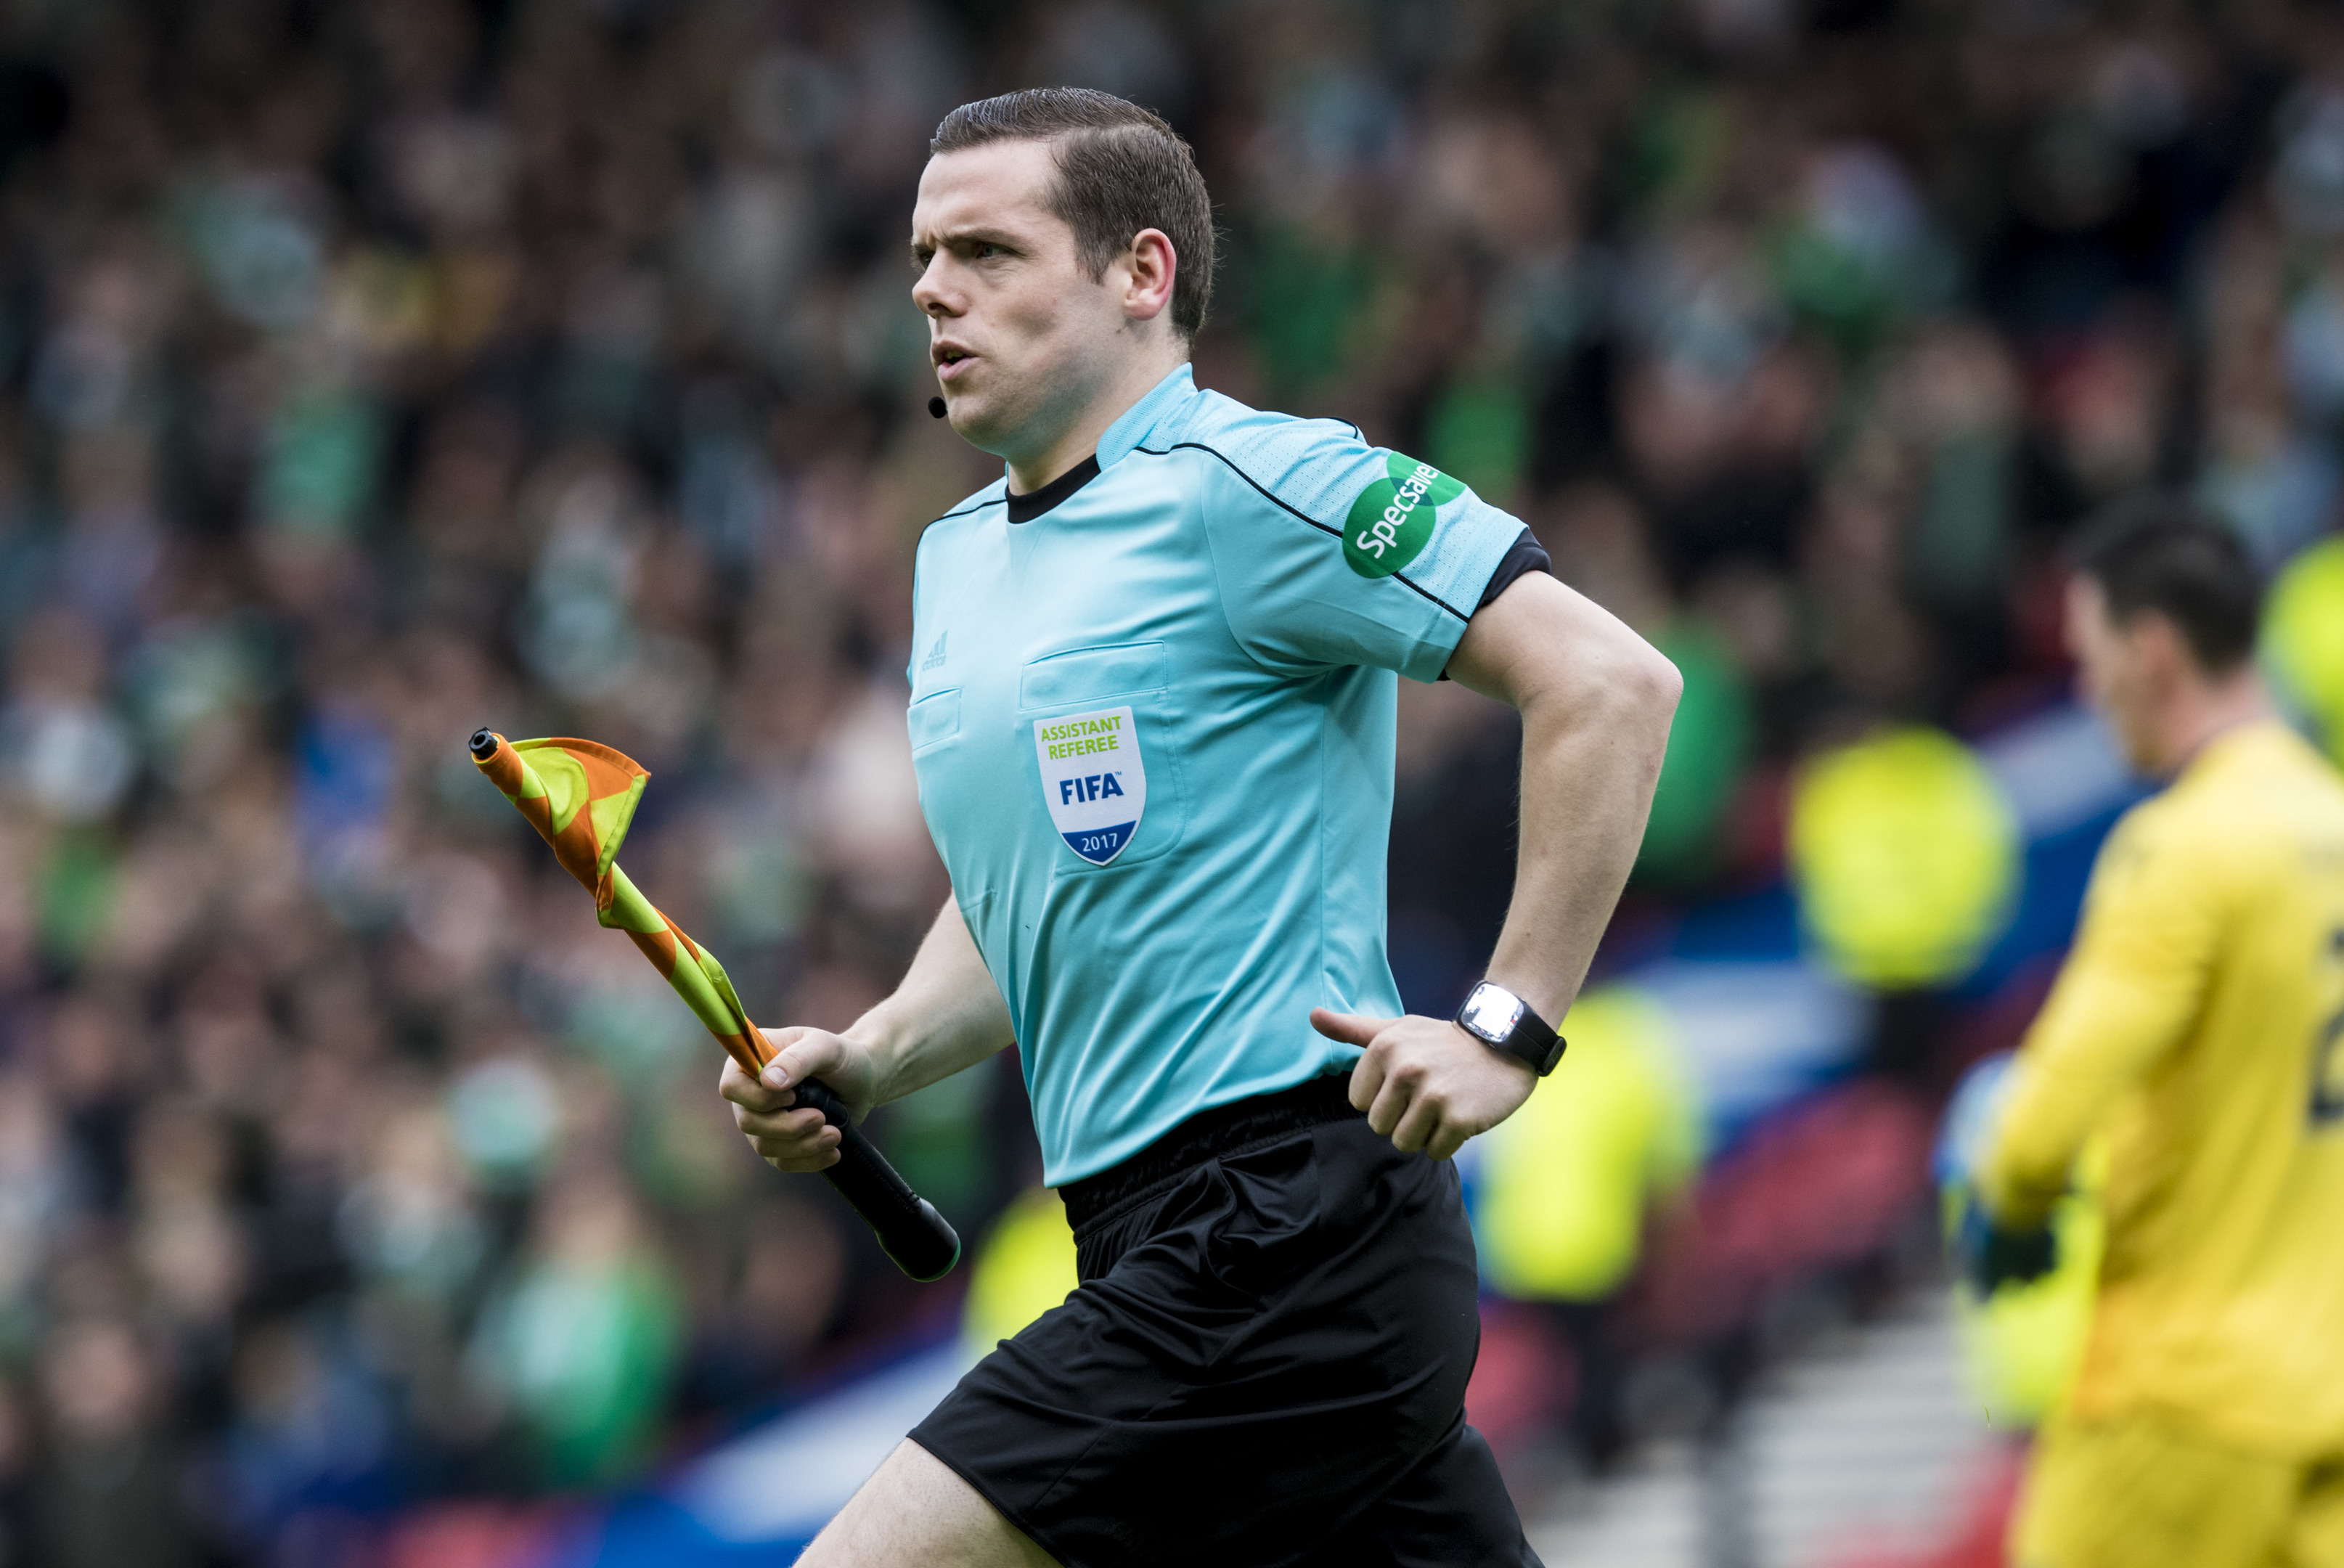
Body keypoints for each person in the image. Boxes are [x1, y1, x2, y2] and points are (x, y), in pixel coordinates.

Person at [720, 88, 1680, 1568]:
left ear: (1140, 274)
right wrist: (880, 1049)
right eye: (923, 255)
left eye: (985, 249)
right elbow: (1036, 885)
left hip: (1284, 1227)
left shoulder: (1257, 484)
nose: (930, 288)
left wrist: (1506, 1026)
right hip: (1153, 1236)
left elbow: (1610, 683)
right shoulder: (957, 561)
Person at [1959, 500, 2344, 1568]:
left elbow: (2038, 1125)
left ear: (2151, 648)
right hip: (2327, 1402)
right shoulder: (2333, 822)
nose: (2086, 690)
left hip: (2181, 1402)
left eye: (2088, 657)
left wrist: (2013, 1204)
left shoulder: (2182, 848)